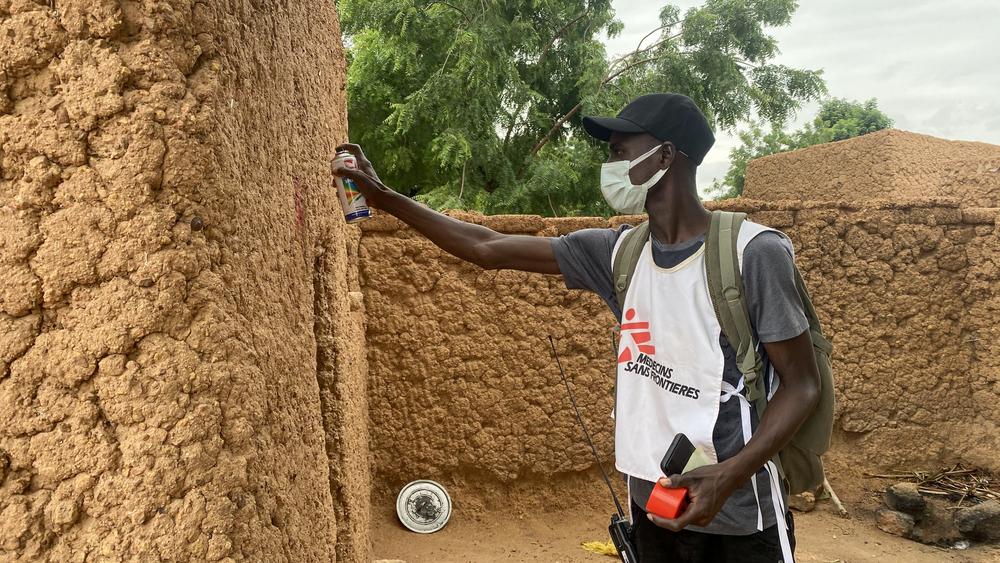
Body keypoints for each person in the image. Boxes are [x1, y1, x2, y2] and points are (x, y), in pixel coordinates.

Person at [334, 93, 820, 563]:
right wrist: (385, 198)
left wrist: (729, 476)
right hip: (652, 500)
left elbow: (801, 386)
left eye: (618, 151)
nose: (609, 165)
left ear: (666, 155)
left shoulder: (751, 254)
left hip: (739, 509)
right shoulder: (618, 254)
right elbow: (486, 247)